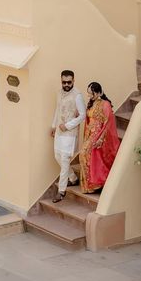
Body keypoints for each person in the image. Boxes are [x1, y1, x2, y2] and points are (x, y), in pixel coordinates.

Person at [51, 70, 86, 203]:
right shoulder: (59, 93)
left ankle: (61, 191)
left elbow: (82, 115)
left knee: (65, 160)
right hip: (59, 132)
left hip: (69, 133)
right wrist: (54, 126)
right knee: (57, 157)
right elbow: (57, 109)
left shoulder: (77, 95)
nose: (66, 84)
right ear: (61, 80)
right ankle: (73, 178)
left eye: (69, 82)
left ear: (73, 80)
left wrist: (68, 125)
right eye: (64, 82)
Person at [80, 82, 120, 194]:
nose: (88, 95)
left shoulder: (105, 104)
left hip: (99, 134)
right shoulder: (92, 103)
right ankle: (90, 184)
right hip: (90, 134)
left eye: (90, 93)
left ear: (97, 93)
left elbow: (108, 122)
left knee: (84, 153)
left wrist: (101, 138)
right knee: (83, 155)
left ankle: (95, 183)